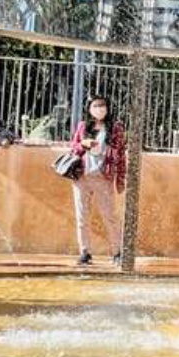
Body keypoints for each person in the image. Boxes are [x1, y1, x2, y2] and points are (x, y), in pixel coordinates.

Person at [69, 95, 128, 266]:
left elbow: (121, 155)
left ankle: (117, 252)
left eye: (103, 106)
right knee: (82, 216)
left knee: (109, 216)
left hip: (104, 178)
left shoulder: (115, 128)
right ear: (89, 108)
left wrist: (120, 178)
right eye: (96, 106)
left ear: (108, 108)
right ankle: (85, 252)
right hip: (82, 177)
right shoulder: (82, 126)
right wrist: (83, 144)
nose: (100, 109)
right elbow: (73, 148)